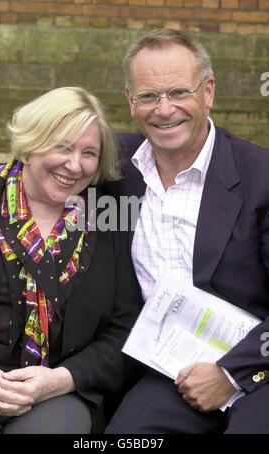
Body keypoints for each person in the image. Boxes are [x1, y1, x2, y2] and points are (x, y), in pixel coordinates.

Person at [104, 29, 269, 434]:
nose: (164, 110)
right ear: (130, 100)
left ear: (208, 91)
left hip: (258, 367)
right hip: (168, 373)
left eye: (179, 92)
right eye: (148, 96)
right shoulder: (112, 167)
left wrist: (231, 373)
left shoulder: (261, 176)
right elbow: (42, 163)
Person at [0, 86, 140, 434]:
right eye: (62, 146)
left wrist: (57, 381)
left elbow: (124, 332)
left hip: (59, 391)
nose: (74, 165)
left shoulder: (106, 217)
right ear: (32, 143)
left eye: (89, 152)